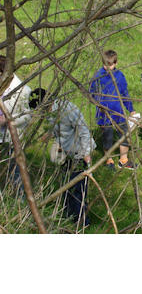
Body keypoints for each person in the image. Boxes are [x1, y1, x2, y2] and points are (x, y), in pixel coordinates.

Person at [29, 88, 96, 228]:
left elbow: (83, 130)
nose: (40, 113)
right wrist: (49, 134)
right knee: (66, 186)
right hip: (66, 153)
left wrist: (86, 154)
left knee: (78, 188)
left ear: (46, 103)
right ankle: (68, 216)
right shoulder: (50, 112)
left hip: (80, 152)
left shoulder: (68, 110)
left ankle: (82, 222)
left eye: (41, 109)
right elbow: (57, 128)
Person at [89, 50, 136, 170]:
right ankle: (108, 159)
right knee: (107, 136)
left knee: (124, 133)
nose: (108, 67)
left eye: (110, 64)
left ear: (116, 63)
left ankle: (123, 159)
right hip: (104, 113)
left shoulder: (120, 76)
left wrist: (131, 109)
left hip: (118, 112)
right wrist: (97, 102)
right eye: (105, 64)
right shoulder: (98, 76)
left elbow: (124, 93)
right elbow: (92, 92)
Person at [0, 55, 32, 197]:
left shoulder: (22, 90)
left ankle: (20, 201)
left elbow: (27, 115)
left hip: (12, 137)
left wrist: (8, 120)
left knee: (15, 170)